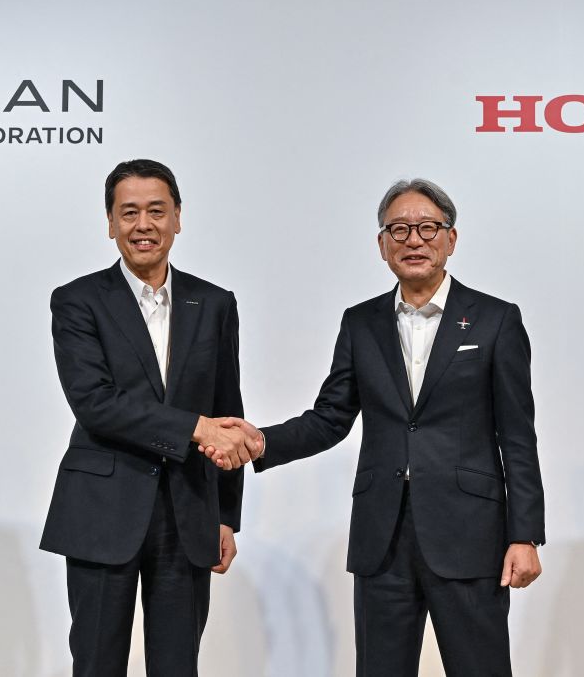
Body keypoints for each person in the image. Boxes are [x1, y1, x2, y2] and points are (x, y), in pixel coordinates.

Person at [204, 178, 545, 676]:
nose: (414, 239)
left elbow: (517, 435)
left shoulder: (495, 320)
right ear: (382, 245)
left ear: (451, 238)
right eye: (399, 229)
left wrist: (525, 535)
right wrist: (260, 442)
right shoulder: (361, 323)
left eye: (428, 228)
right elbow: (330, 418)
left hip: (470, 536)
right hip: (382, 540)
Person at [40, 159, 261, 677]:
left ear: (178, 217)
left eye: (156, 211)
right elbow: (95, 402)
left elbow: (228, 411)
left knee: (179, 666)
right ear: (110, 223)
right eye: (129, 212)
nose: (144, 225)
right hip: (102, 512)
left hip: (188, 512)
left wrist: (225, 515)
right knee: (97, 663)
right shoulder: (77, 301)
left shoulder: (214, 303)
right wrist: (194, 427)